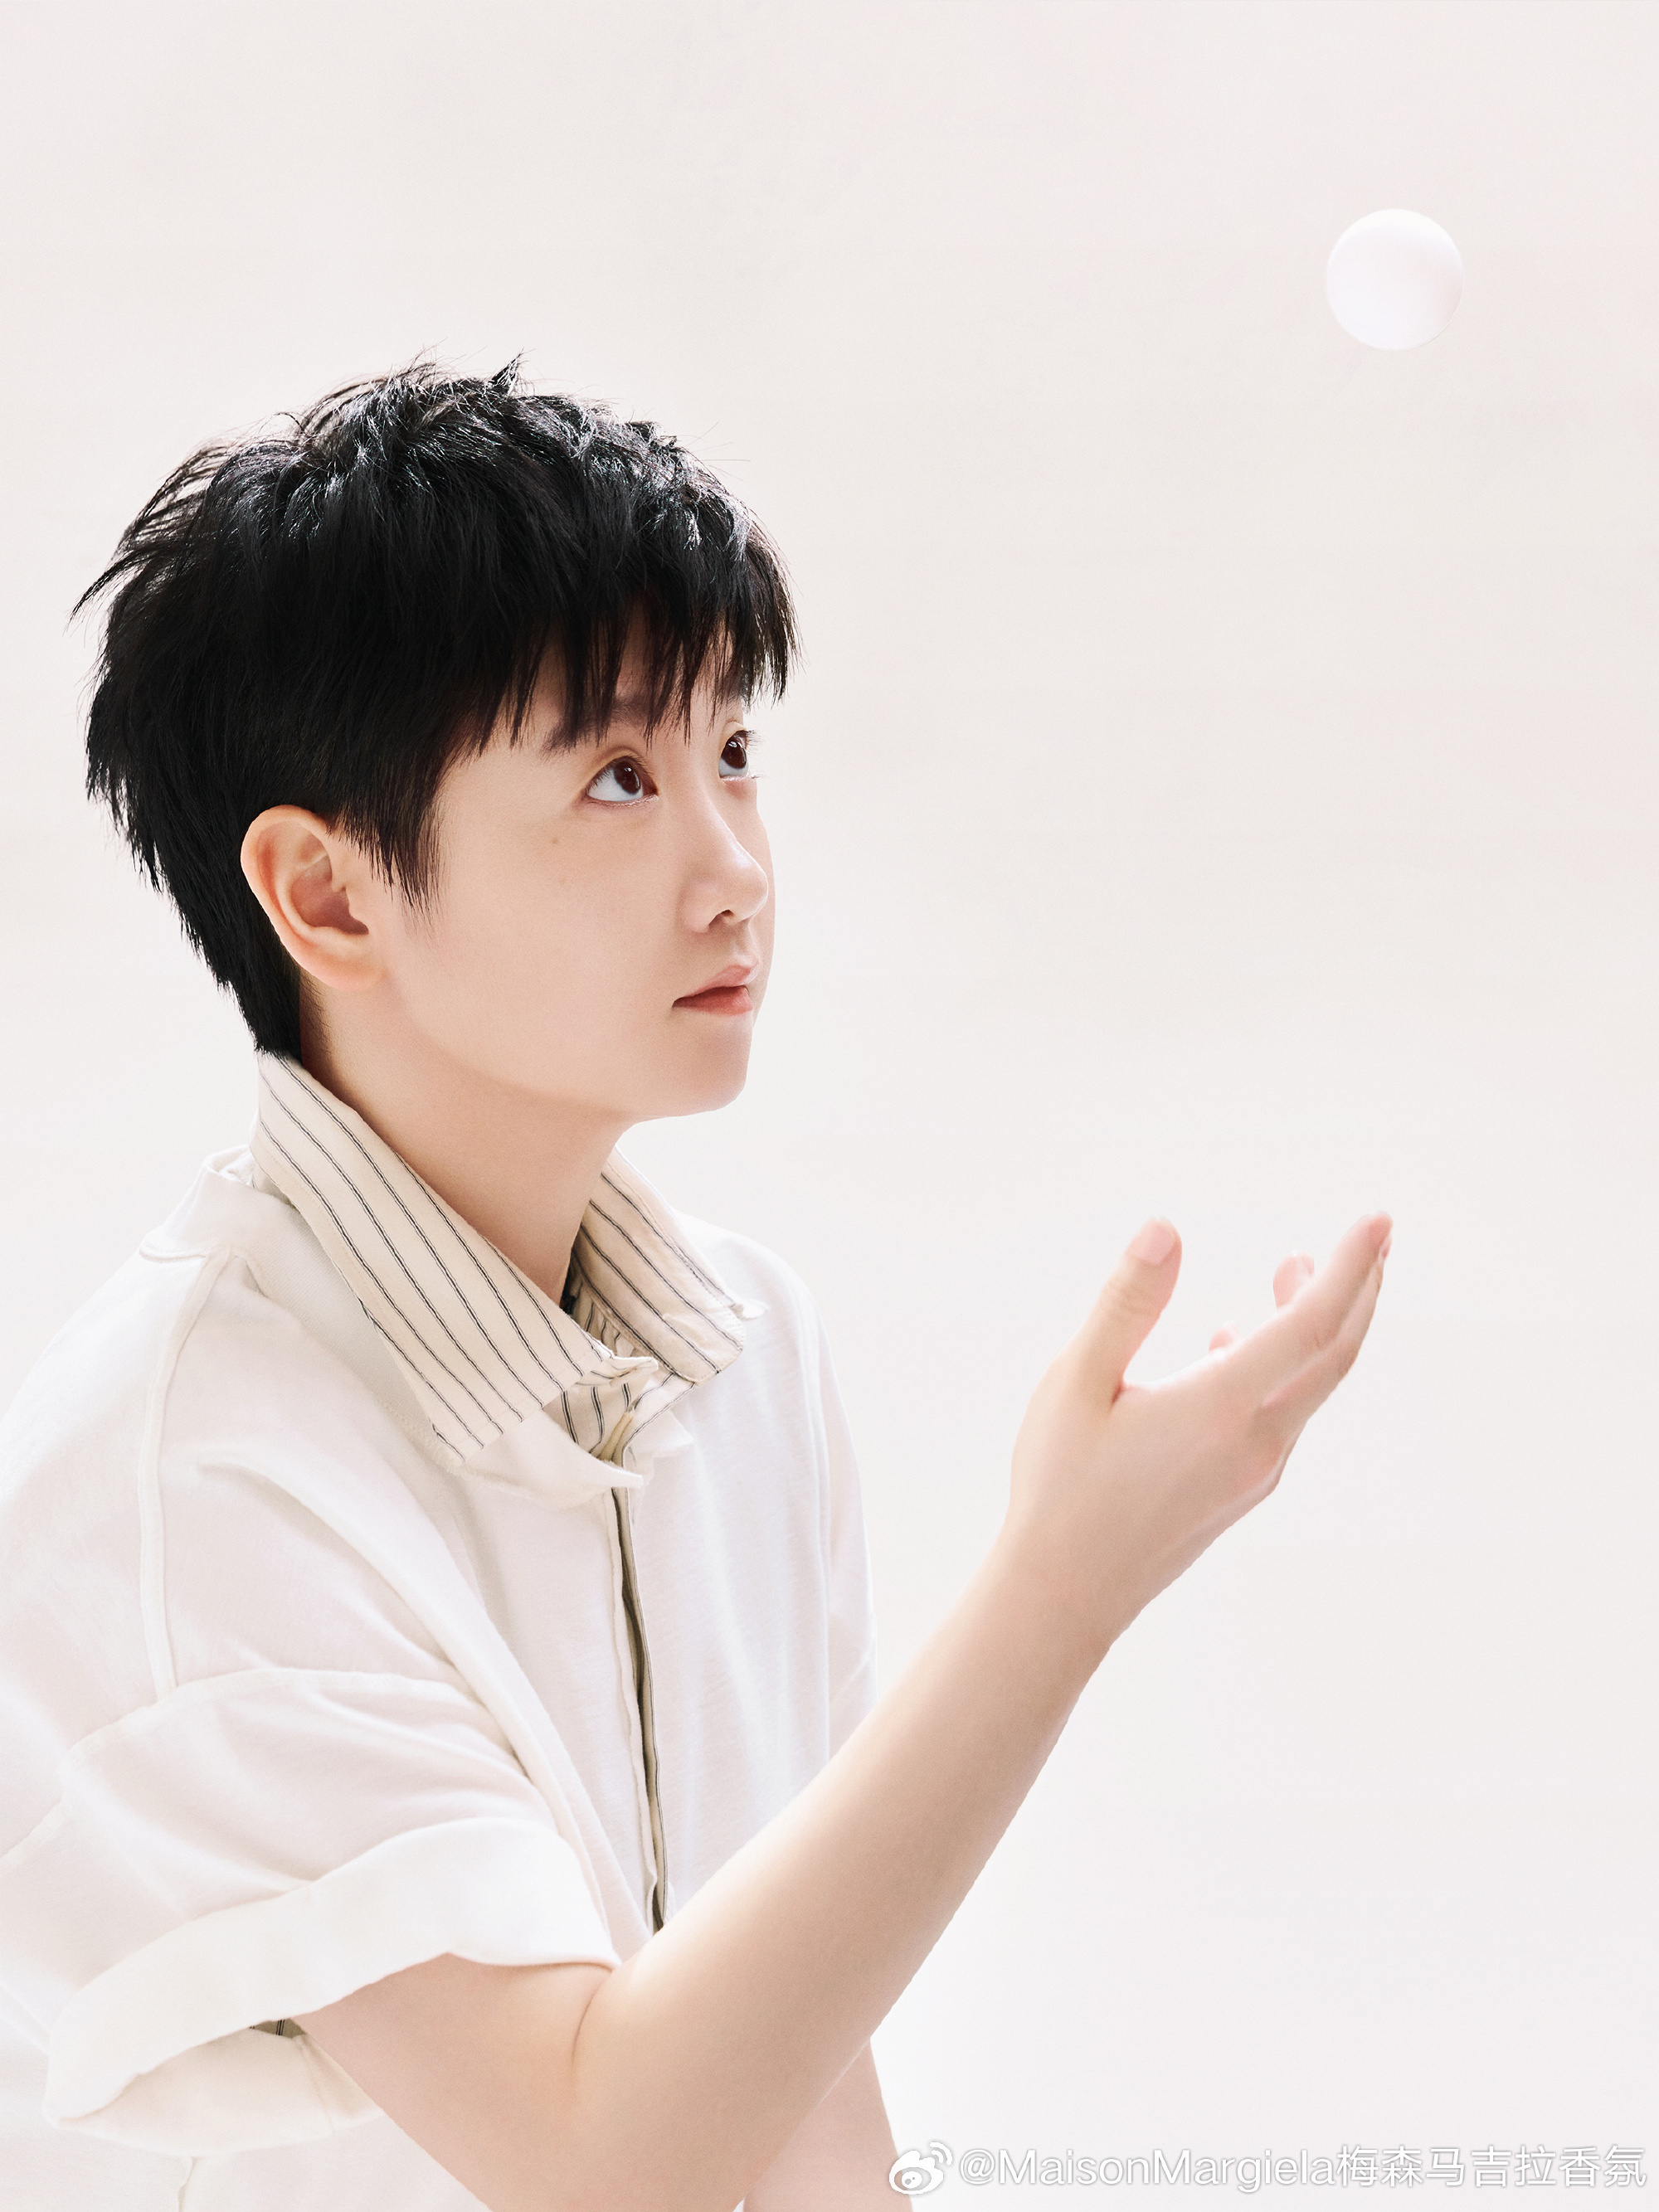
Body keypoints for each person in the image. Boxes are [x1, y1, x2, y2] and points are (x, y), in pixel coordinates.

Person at [0, 359, 1391, 2212]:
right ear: (326, 896)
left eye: (734, 752)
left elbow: (799, 2085)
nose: (734, 871)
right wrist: (1062, 1585)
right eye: (617, 778)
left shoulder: (741, 1347)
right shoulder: (188, 1479)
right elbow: (601, 2154)